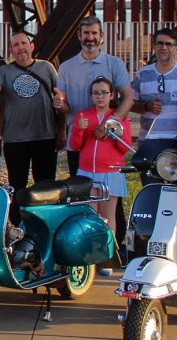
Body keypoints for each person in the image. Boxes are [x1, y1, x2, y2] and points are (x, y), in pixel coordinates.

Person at [0, 31, 64, 224]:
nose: (20, 48)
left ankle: (44, 223)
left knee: (44, 186)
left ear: (31, 46)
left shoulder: (46, 67)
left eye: (23, 43)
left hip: (44, 136)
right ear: (11, 51)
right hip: (16, 140)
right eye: (16, 45)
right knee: (17, 186)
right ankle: (19, 226)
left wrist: (62, 128)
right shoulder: (4, 71)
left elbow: (60, 97)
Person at [69, 77, 132, 276]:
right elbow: (75, 145)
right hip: (88, 172)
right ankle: (90, 257)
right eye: (96, 93)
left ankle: (106, 258)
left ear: (111, 95)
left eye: (104, 93)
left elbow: (125, 147)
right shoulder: (84, 115)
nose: (100, 96)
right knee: (90, 216)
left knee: (108, 216)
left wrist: (116, 133)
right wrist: (79, 127)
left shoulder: (119, 117)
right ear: (91, 96)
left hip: (111, 172)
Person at [56, 16, 134, 175]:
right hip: (79, 138)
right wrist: (59, 104)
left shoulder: (115, 64)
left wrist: (111, 123)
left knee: (110, 191)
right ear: (79, 36)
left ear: (101, 36)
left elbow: (128, 98)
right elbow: (64, 106)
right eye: (86, 33)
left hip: (107, 137)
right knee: (81, 192)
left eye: (94, 33)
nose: (90, 38)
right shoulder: (66, 67)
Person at [130, 28, 177, 140]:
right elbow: (130, 104)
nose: (164, 48)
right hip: (149, 141)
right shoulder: (143, 73)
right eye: (160, 43)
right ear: (154, 47)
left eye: (169, 44)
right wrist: (147, 106)